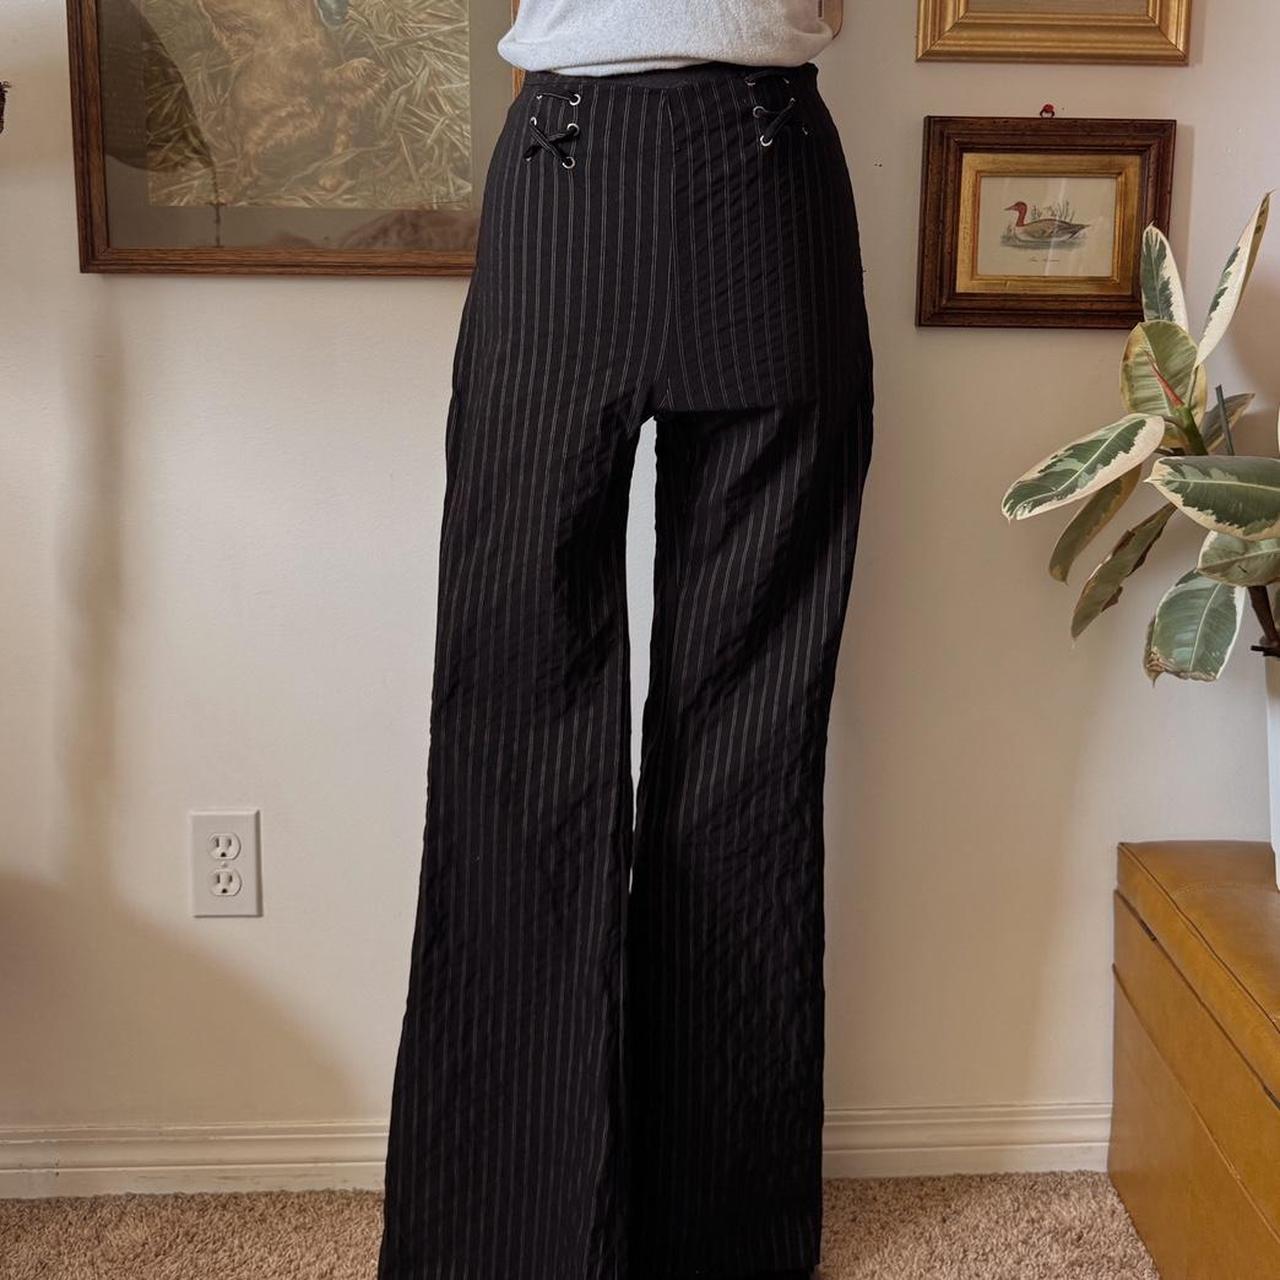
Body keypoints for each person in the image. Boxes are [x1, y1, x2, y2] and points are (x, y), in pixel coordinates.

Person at [377, 4, 874, 1277]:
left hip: (734, 176)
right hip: (609, 171)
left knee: (731, 738)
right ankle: (530, 1235)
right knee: (526, 703)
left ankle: (653, 1237)